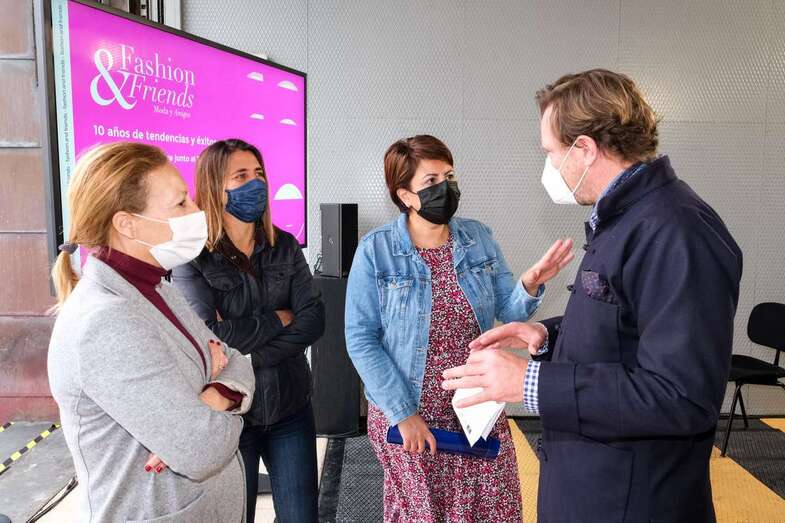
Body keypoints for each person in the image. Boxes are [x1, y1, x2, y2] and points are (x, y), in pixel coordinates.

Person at [443, 69, 743, 522]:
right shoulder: (627, 218)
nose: (549, 166)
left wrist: (529, 383)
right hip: (593, 486)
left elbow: (681, 396)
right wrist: (547, 334)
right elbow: (626, 326)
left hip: (632, 501)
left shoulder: (676, 231)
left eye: (550, 152)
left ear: (584, 148)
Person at [345, 135, 574, 521]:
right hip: (411, 412)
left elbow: (508, 310)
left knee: (495, 511)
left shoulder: (477, 238)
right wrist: (403, 414)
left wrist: (530, 283)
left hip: (476, 407)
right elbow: (361, 339)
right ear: (405, 195)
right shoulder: (376, 250)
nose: (446, 187)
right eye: (431, 181)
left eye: (449, 176)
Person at [47, 142, 255, 523]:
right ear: (126, 224)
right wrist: (220, 391)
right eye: (180, 203)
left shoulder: (157, 288)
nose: (197, 211)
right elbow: (202, 448)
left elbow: (237, 361)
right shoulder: (105, 322)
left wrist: (212, 398)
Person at [172, 139, 325, 523]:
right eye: (240, 176)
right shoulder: (193, 258)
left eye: (258, 174)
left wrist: (248, 355)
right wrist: (279, 319)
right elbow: (209, 338)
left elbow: (313, 320)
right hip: (233, 417)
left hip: (291, 408)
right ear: (214, 186)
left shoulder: (283, 245)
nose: (255, 184)